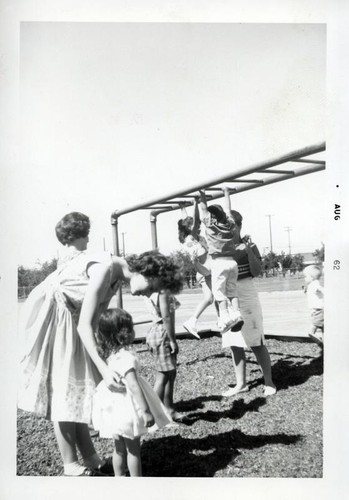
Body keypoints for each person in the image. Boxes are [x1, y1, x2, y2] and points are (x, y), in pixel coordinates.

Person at [18, 212, 183, 476]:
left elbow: (94, 322)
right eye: (153, 286)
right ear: (146, 272)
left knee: (81, 388)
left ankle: (91, 456)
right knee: (64, 389)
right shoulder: (104, 268)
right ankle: (70, 463)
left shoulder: (117, 278)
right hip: (55, 312)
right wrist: (105, 369)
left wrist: (106, 360)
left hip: (72, 317)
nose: (149, 294)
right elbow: (85, 325)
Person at [92, 308, 172, 476]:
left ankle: (119, 478)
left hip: (114, 411)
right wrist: (146, 412)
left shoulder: (108, 355)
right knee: (134, 451)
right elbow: (134, 386)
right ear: (124, 333)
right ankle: (137, 483)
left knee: (119, 449)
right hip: (128, 412)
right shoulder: (126, 358)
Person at [219, 206, 276, 398]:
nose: (228, 229)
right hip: (229, 294)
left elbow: (257, 271)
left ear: (239, 226)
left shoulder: (250, 245)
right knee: (234, 341)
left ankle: (269, 382)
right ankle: (241, 383)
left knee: (255, 340)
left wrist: (248, 250)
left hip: (247, 292)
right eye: (225, 226)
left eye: (231, 226)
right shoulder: (221, 247)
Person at [130, 252, 183, 421]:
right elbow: (167, 317)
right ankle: (155, 412)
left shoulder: (151, 291)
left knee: (169, 373)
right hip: (162, 332)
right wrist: (173, 339)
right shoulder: (162, 291)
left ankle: (168, 408)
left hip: (156, 332)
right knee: (163, 375)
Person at [198, 190, 243, 334]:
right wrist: (226, 192)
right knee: (232, 290)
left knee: (218, 292)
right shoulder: (229, 224)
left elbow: (203, 208)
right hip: (232, 263)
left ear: (211, 216)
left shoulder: (210, 225)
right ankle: (236, 313)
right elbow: (228, 208)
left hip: (219, 263)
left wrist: (202, 194)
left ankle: (224, 317)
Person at [178, 199, 220, 338]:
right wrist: (195, 203)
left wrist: (182, 208)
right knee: (216, 296)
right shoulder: (192, 236)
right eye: (197, 226)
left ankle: (193, 321)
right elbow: (195, 219)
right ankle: (220, 319)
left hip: (203, 270)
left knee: (211, 298)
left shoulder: (186, 238)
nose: (200, 227)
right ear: (190, 228)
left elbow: (187, 221)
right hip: (205, 270)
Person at [302, 265, 324, 346]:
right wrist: (306, 291)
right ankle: (326, 345)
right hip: (319, 310)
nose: (304, 278)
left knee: (311, 332)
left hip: (317, 311)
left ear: (311, 277)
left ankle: (321, 344)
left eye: (305, 276)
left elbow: (319, 289)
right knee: (323, 329)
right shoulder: (313, 284)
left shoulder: (314, 284)